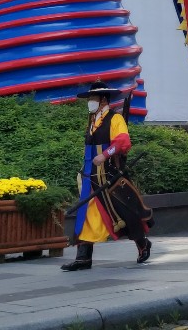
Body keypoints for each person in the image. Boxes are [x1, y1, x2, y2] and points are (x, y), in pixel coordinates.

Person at [63, 82, 152, 271]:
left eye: (93, 98)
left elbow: (122, 142)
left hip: (109, 173)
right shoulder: (92, 120)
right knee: (86, 212)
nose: (90, 102)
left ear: (103, 99)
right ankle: (83, 257)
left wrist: (105, 154)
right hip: (90, 175)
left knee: (124, 212)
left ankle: (142, 243)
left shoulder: (115, 118)